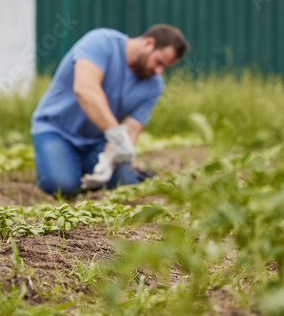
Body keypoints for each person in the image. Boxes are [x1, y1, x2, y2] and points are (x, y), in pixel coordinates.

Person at [31, 24, 188, 197]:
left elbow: (132, 128)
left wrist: (108, 160)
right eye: (158, 62)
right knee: (63, 187)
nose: (158, 71)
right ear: (149, 43)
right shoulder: (101, 43)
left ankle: (83, 168)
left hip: (98, 140)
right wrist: (115, 134)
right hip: (56, 131)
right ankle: (64, 165)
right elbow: (85, 89)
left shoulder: (154, 84)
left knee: (125, 184)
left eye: (164, 67)